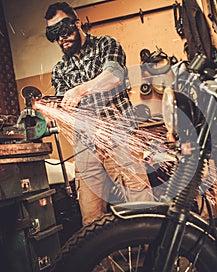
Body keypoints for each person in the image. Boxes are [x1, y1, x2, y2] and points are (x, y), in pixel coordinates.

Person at [44, 2, 153, 226]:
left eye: (64, 30)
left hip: (119, 134)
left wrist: (81, 89)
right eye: (54, 35)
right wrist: (49, 112)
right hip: (85, 144)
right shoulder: (59, 70)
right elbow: (64, 106)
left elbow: (113, 75)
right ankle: (103, 259)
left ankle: (158, 255)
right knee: (91, 215)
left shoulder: (106, 45)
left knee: (139, 201)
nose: (61, 39)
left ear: (77, 23)